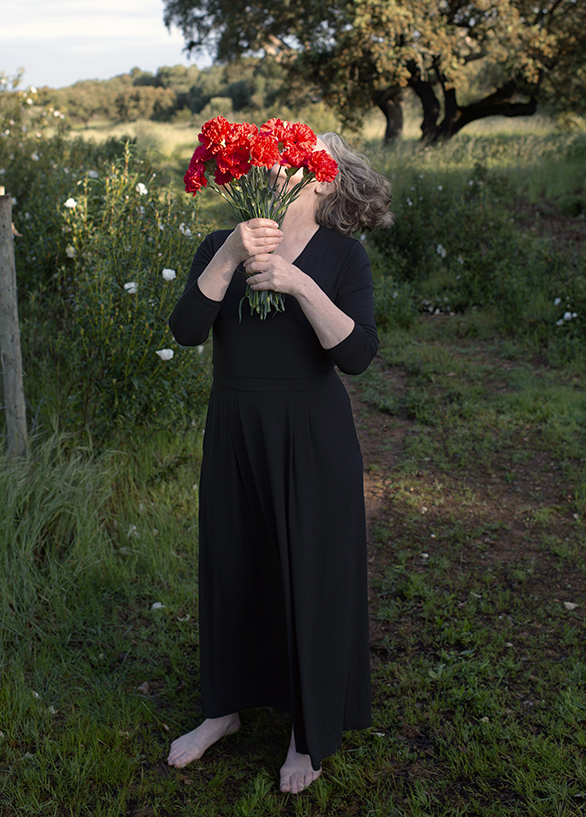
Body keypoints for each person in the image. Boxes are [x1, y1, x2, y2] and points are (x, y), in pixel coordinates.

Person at [166, 132, 393, 794]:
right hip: (234, 428)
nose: (279, 167)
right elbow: (185, 330)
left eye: (297, 162)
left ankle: (307, 730)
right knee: (232, 566)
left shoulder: (343, 256)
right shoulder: (222, 242)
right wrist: (231, 255)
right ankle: (223, 710)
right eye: (277, 158)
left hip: (311, 436)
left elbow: (356, 355)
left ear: (324, 180)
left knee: (310, 576)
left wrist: (297, 283)